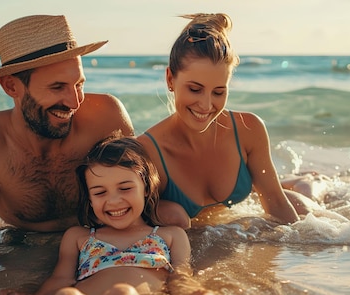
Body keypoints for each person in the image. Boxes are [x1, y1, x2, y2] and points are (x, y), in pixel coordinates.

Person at [0, 136, 228, 295]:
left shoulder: (169, 235)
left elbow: (181, 276)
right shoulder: (79, 236)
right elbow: (61, 279)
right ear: (90, 199)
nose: (114, 201)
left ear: (146, 188)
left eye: (125, 188)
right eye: (100, 192)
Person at [0, 15, 135, 264]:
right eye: (57, 87)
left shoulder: (106, 117)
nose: (75, 102)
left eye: (79, 84)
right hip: (21, 252)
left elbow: (147, 197)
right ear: (11, 87)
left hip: (103, 245)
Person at [137, 13, 324, 226]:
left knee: (308, 207)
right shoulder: (147, 152)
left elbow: (277, 205)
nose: (207, 105)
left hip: (238, 211)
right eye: (195, 89)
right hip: (226, 218)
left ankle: (309, 181)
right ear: (170, 79)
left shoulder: (248, 129)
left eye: (218, 92)